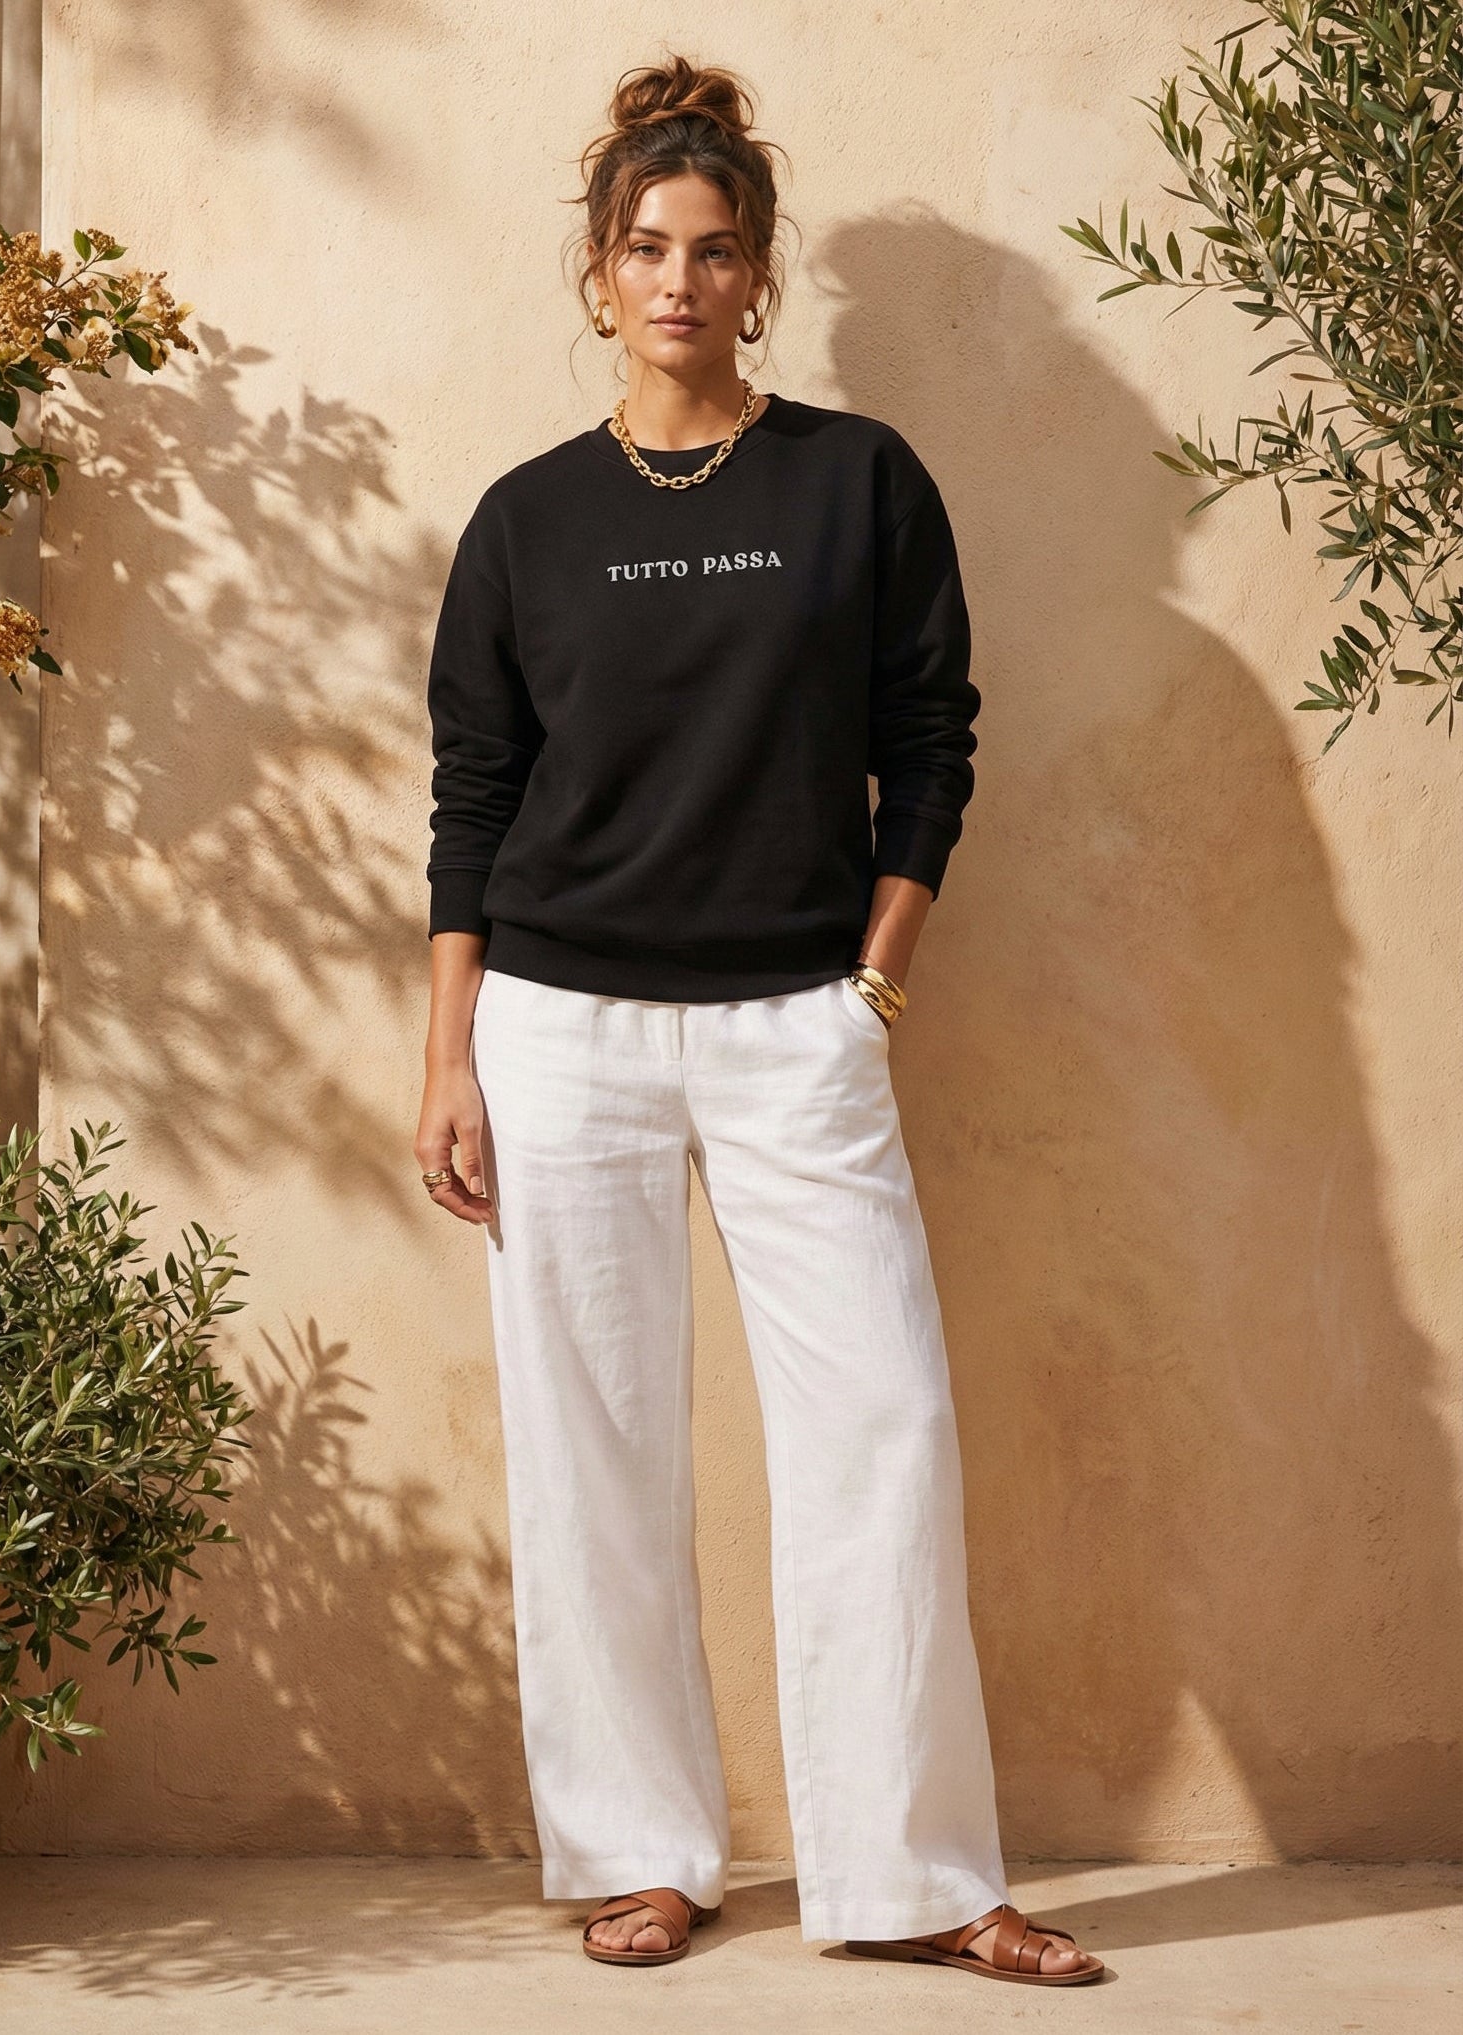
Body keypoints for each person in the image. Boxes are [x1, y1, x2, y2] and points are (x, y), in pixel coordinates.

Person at [413, 54, 1106, 1988]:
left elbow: (930, 744)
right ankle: (643, 1853)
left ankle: (920, 1875)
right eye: (644, 247)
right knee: (594, 1454)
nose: (678, 280)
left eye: (714, 250)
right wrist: (451, 1055)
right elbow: (474, 797)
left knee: (879, 1428)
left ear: (760, 269)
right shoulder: (527, 521)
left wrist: (875, 977)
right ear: (595, 266)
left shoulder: (856, 481)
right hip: (563, 1030)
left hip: (798, 1024)